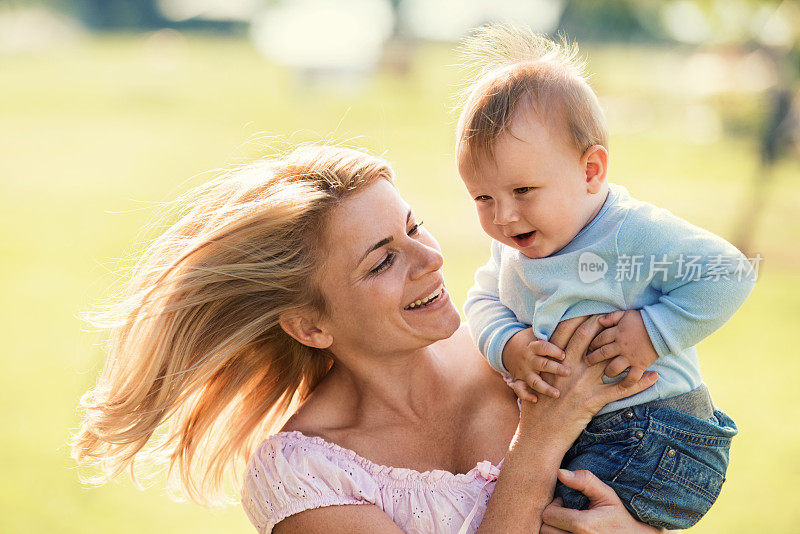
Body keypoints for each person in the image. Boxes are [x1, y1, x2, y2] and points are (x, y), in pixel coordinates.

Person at [71, 144, 661, 533]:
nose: (429, 258)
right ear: (311, 326)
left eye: (413, 228)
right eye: (382, 262)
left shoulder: (521, 336)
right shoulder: (307, 475)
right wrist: (543, 437)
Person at [455, 25, 754, 530]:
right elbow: (482, 300)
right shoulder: (511, 244)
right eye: (483, 198)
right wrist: (509, 344)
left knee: (545, 520)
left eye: (524, 190)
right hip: (587, 431)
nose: (503, 216)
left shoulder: (628, 231)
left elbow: (728, 271)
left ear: (591, 171)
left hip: (660, 430)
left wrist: (650, 333)